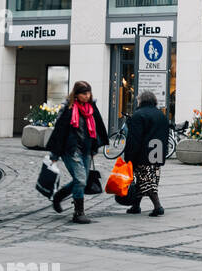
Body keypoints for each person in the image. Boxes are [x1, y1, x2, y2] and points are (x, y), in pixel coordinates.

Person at [45, 81, 109, 224]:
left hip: (86, 149)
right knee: (80, 179)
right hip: (71, 150)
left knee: (81, 181)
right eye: (84, 93)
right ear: (76, 94)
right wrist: (54, 155)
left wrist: (94, 147)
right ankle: (78, 212)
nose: (87, 96)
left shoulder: (91, 108)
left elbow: (97, 128)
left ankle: (59, 196)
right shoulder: (68, 109)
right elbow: (59, 131)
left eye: (89, 93)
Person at [123, 91, 170, 216]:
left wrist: (129, 157)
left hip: (143, 153)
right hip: (157, 152)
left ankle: (158, 206)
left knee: (147, 180)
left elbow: (134, 139)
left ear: (141, 101)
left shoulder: (138, 115)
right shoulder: (161, 115)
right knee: (144, 179)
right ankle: (136, 205)